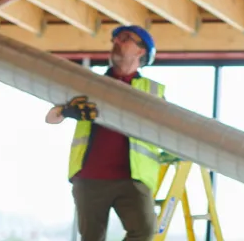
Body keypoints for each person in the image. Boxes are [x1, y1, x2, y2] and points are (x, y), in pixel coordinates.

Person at [46, 25, 166, 241]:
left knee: (145, 232)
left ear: (141, 51)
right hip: (90, 177)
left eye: (126, 38)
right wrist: (66, 110)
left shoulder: (153, 91)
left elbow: (168, 129)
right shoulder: (90, 83)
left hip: (133, 178)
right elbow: (51, 117)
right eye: (116, 38)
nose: (117, 42)